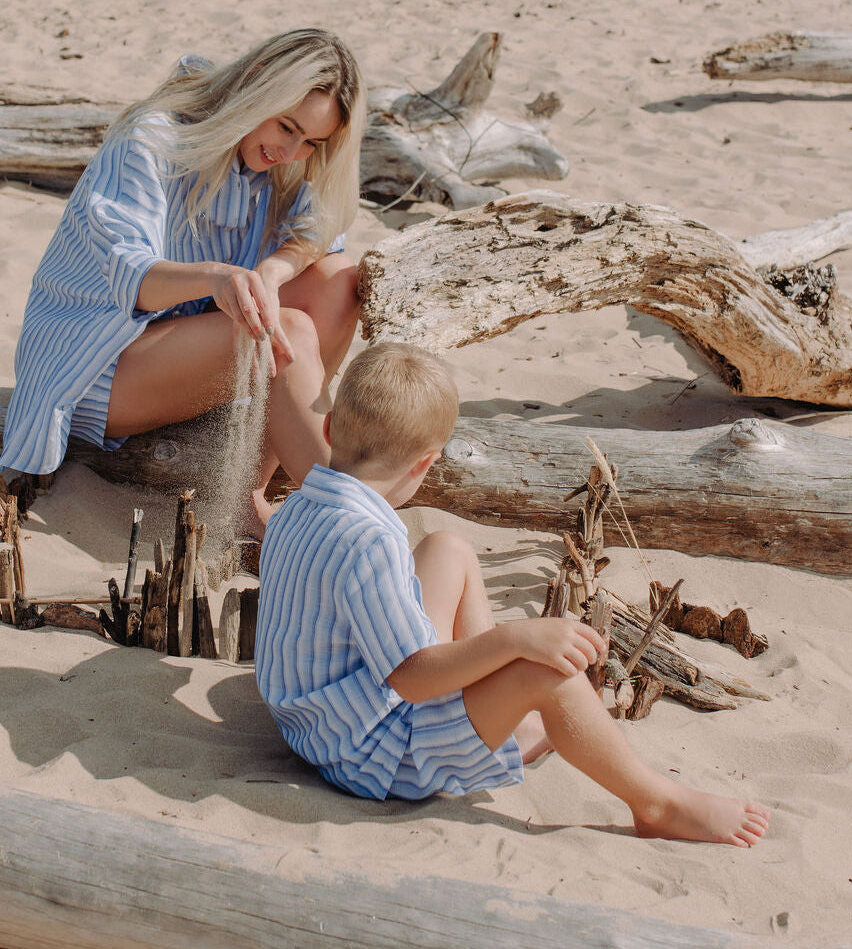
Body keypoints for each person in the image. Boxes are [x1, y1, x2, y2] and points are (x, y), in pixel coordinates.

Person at [255, 341, 772, 844]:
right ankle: (656, 803)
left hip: (315, 724)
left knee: (447, 549)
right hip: (372, 755)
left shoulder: (300, 507)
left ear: (328, 428)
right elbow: (411, 678)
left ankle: (497, 717)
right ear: (425, 464)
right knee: (551, 675)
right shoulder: (370, 540)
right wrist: (514, 640)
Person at [0, 29, 366, 532]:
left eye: (312, 142)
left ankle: (248, 492)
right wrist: (217, 277)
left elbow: (321, 232)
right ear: (257, 82)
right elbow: (134, 278)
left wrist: (269, 272)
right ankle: (351, 526)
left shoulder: (278, 159)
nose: (291, 150)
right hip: (94, 358)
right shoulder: (153, 137)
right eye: (286, 126)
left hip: (187, 343)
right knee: (293, 329)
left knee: (338, 281)